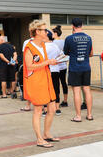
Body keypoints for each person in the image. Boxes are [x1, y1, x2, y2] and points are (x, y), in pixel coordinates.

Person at [23, 20, 59, 148]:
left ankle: (46, 134)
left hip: (46, 80)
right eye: (44, 30)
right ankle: (39, 139)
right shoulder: (29, 48)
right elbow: (29, 66)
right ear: (37, 32)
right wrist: (48, 62)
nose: (47, 32)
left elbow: (42, 62)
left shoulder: (43, 45)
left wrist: (51, 62)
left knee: (52, 108)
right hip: (36, 82)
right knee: (38, 110)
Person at [63, 18, 94, 122]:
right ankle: (89, 115)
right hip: (86, 67)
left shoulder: (69, 38)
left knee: (76, 91)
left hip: (74, 67)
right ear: (82, 25)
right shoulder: (89, 38)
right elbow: (91, 53)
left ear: (72, 26)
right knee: (87, 90)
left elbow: (66, 52)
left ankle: (78, 116)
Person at [45, 30, 62, 115]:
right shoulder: (55, 46)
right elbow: (61, 55)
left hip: (46, 70)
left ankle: (45, 109)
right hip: (55, 69)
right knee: (56, 88)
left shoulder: (43, 46)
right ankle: (57, 108)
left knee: (46, 89)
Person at [52, 25, 69, 108]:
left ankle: (56, 101)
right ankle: (65, 100)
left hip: (56, 66)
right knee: (63, 82)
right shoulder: (64, 42)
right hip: (63, 65)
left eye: (52, 33)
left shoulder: (53, 43)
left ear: (55, 33)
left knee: (56, 84)